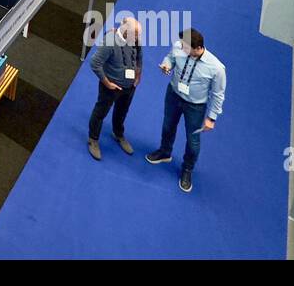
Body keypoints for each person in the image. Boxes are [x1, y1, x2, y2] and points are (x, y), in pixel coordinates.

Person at [146, 28, 227, 193]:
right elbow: (170, 58)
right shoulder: (179, 46)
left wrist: (211, 118)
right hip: (173, 95)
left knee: (193, 140)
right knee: (168, 125)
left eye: (186, 47)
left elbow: (218, 95)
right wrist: (167, 65)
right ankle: (165, 152)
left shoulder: (217, 68)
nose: (181, 48)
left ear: (197, 48)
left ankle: (187, 169)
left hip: (195, 106)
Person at [87, 16, 143, 159]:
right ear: (125, 32)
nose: (137, 38)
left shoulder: (135, 39)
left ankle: (118, 134)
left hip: (129, 87)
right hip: (111, 88)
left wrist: (138, 76)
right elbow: (94, 63)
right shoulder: (110, 42)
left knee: (122, 111)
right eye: (135, 35)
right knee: (100, 112)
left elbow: (139, 57)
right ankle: (93, 139)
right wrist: (107, 83)